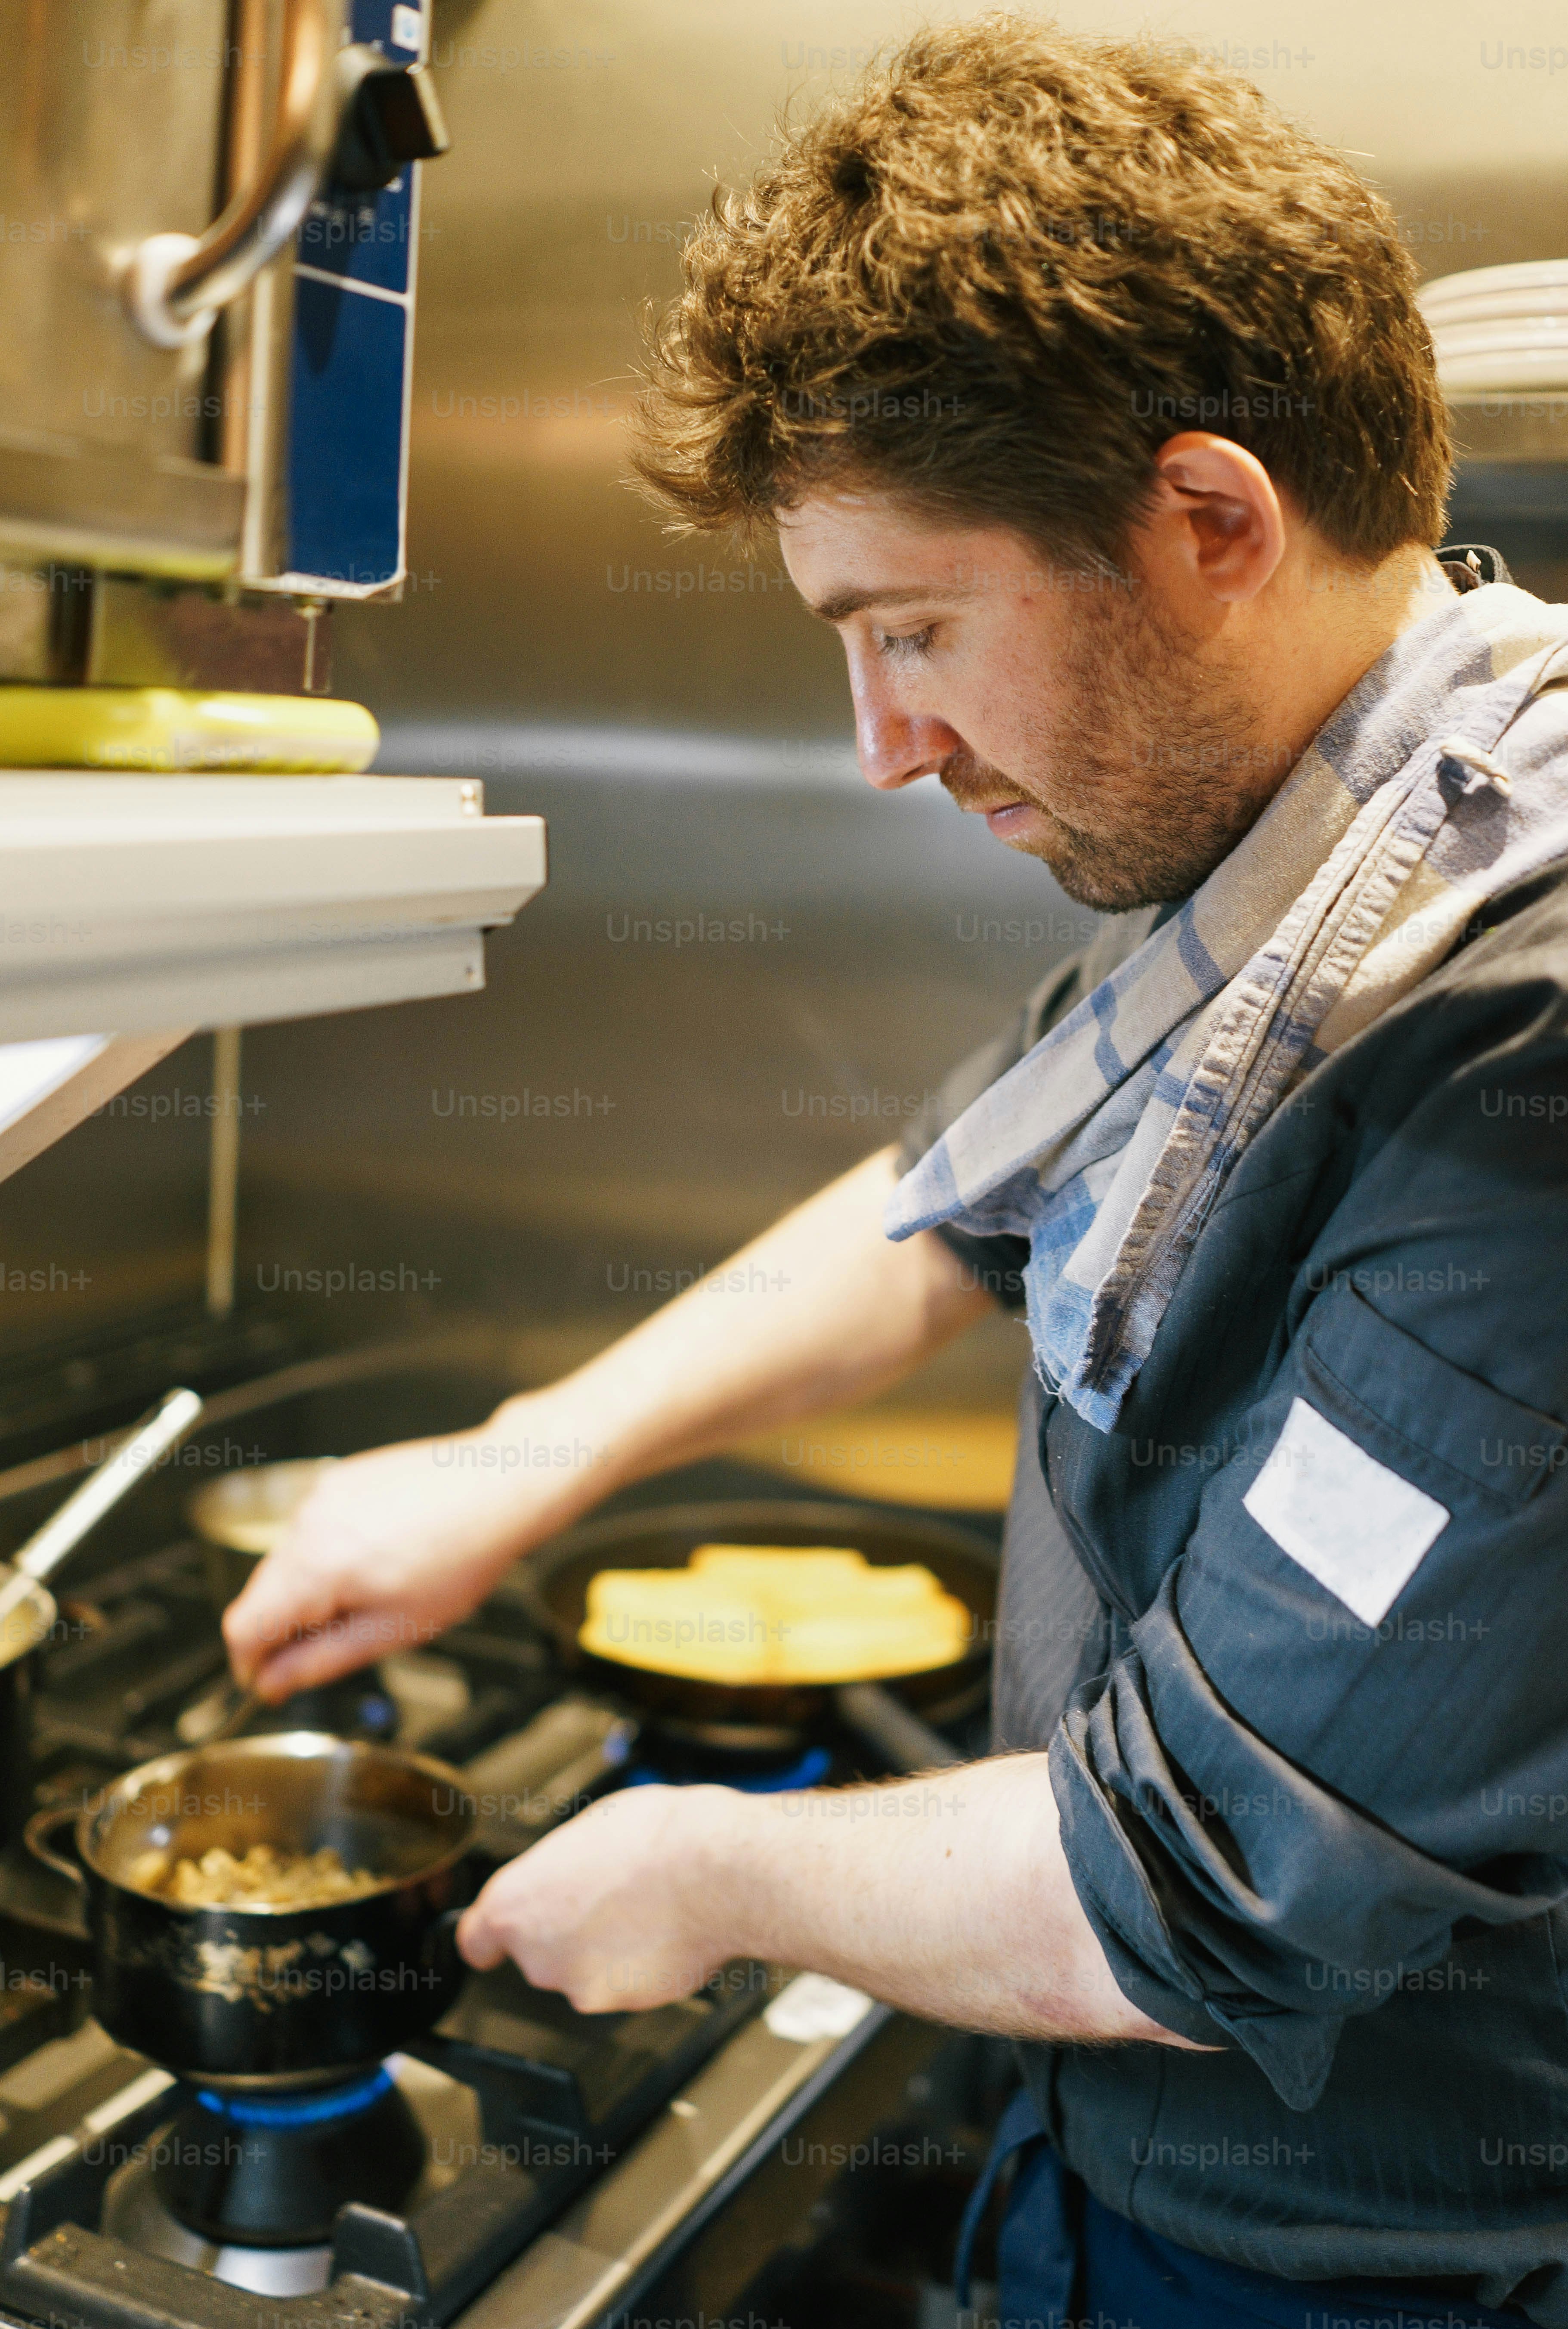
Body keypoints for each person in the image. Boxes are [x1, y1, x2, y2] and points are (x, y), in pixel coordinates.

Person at [225, 20, 1568, 2327]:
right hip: (1110, 2145)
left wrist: (711, 1865)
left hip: (1366, 2262)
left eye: (912, 630)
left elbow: (1190, 1892)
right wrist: (517, 1457)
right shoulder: (1326, 859)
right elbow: (956, 1192)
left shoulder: (1516, 1048)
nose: (883, 748)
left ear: (1216, 521)